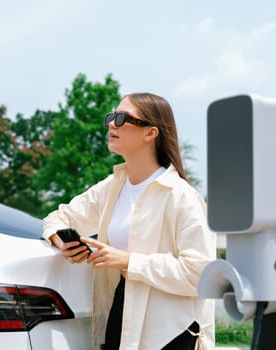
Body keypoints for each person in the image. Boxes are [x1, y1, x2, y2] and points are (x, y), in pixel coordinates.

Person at [42, 93, 216, 349]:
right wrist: (60, 239)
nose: (112, 124)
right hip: (121, 315)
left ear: (150, 133)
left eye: (122, 118)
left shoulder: (181, 196)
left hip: (170, 331)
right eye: (111, 117)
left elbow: (201, 274)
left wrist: (128, 261)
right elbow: (59, 216)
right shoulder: (113, 186)